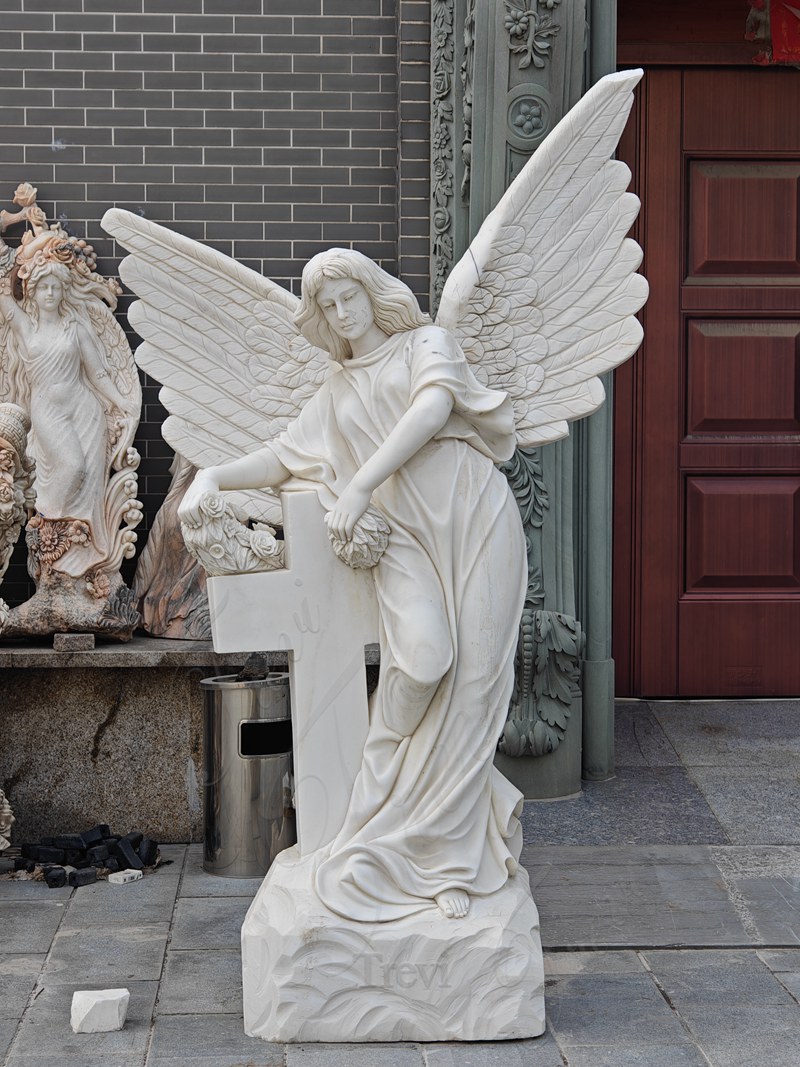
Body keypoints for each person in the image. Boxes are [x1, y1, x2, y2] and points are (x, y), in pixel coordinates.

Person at [180, 248, 527, 922]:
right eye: (329, 307)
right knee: (426, 661)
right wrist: (215, 475)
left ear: (372, 291)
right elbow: (283, 457)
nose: (342, 313)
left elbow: (432, 410)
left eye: (349, 297)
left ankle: (452, 858)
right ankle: (382, 788)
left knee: (476, 685)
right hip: (403, 539)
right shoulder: (335, 392)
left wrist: (362, 482)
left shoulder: (427, 342)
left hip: (473, 514)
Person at [0, 256, 135, 575]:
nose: (49, 293)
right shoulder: (24, 326)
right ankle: (49, 534)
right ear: (32, 291)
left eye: (55, 287)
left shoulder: (76, 327)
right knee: (72, 466)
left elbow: (98, 373)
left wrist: (120, 402)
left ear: (64, 292)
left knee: (87, 479)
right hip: (48, 411)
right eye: (43, 287)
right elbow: (4, 295)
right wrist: (24, 257)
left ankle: (76, 552)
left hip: (84, 409)